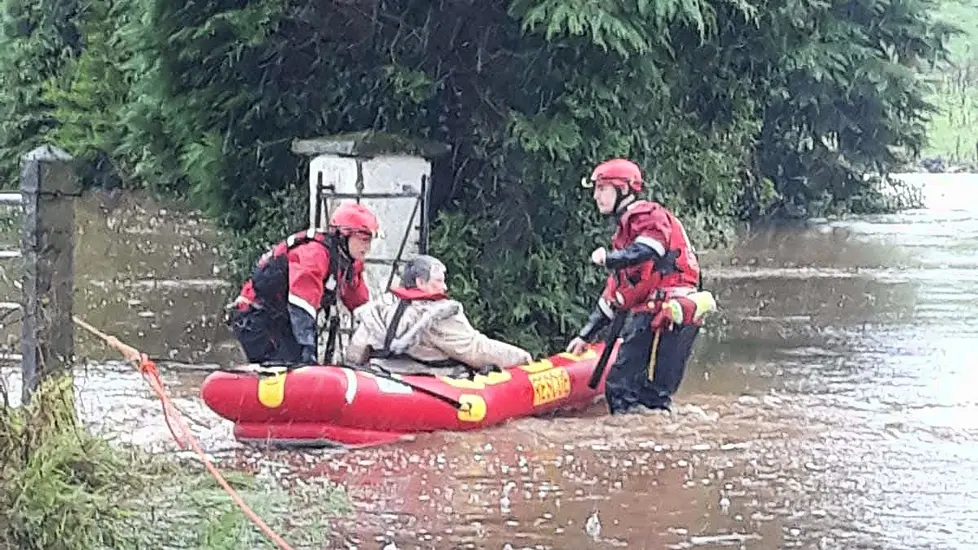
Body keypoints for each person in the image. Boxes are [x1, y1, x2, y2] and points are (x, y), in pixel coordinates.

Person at [566, 158, 716, 413]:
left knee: (621, 389)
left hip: (664, 311)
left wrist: (609, 259)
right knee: (654, 398)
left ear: (623, 190)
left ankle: (629, 443)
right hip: (675, 313)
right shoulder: (629, 231)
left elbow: (650, 249)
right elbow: (615, 297)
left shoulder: (647, 215)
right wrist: (585, 335)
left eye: (602, 189)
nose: (596, 196)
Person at [229, 202, 379, 364]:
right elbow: (301, 305)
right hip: (257, 317)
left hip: (284, 319)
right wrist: (307, 347)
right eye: (363, 240)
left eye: (370, 240)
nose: (367, 247)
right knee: (286, 366)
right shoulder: (314, 255)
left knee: (297, 361)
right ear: (343, 235)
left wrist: (377, 336)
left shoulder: (349, 264)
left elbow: (360, 305)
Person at [346, 255, 533, 376]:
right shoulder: (439, 315)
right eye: (439, 281)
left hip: (381, 376)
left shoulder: (380, 308)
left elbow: (357, 351)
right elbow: (476, 350)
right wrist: (521, 358)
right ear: (420, 282)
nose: (444, 287)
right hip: (427, 384)